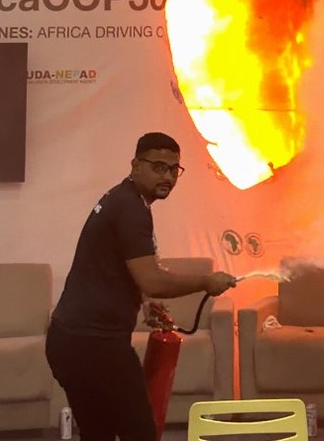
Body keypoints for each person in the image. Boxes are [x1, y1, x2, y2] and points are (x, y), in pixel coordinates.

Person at [46, 132, 236, 441]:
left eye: (174, 169)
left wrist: (145, 300)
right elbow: (153, 279)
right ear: (136, 165)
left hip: (73, 341)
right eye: (158, 167)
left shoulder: (124, 199)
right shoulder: (131, 209)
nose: (168, 176)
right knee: (140, 433)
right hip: (95, 346)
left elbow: (126, 268)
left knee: (98, 434)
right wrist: (206, 281)